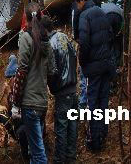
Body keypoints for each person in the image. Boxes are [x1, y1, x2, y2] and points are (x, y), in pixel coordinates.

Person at [11, 2, 55, 164]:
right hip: (42, 102)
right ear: (41, 16)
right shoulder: (46, 41)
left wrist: (16, 102)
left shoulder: (26, 38)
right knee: (34, 149)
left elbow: (21, 71)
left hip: (29, 103)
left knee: (37, 152)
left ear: (26, 18)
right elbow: (52, 71)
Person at [75, 0, 115, 152]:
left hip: (93, 67)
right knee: (103, 100)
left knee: (92, 102)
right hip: (106, 64)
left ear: (81, 0)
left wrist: (83, 63)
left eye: (77, 3)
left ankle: (94, 141)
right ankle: (103, 133)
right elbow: (111, 36)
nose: (77, 7)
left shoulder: (84, 16)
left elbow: (84, 43)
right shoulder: (101, 11)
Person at [43, 16, 78, 164]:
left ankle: (59, 160)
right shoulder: (64, 37)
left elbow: (52, 71)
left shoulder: (51, 44)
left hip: (62, 91)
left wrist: (52, 87)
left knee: (62, 128)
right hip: (73, 88)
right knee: (72, 125)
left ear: (44, 29)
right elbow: (74, 56)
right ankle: (71, 157)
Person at [71, 0, 100, 109]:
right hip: (97, 37)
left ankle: (83, 103)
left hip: (84, 36)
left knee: (84, 71)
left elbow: (75, 15)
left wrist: (75, 35)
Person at [0, 54, 29, 160]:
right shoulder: (10, 96)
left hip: (27, 126)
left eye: (10, 79)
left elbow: (18, 117)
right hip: (18, 126)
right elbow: (11, 119)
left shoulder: (23, 93)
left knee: (22, 131)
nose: (7, 83)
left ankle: (27, 156)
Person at [101, 2, 124, 69]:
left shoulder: (101, 6)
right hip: (118, 17)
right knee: (116, 40)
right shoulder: (116, 7)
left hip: (107, 17)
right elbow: (123, 19)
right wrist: (120, 30)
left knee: (107, 41)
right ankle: (116, 64)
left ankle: (107, 64)